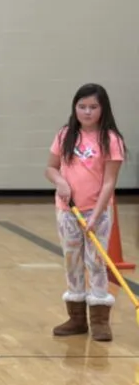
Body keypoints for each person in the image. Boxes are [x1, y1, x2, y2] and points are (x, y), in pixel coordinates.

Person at [46, 83, 127, 341]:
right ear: (75, 108)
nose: (87, 112)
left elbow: (109, 183)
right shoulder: (65, 135)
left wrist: (95, 216)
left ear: (103, 109)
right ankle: (77, 319)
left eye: (93, 107)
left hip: (98, 212)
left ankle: (100, 320)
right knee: (73, 262)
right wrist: (59, 182)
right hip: (67, 211)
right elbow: (51, 168)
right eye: (82, 106)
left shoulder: (111, 140)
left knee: (96, 262)